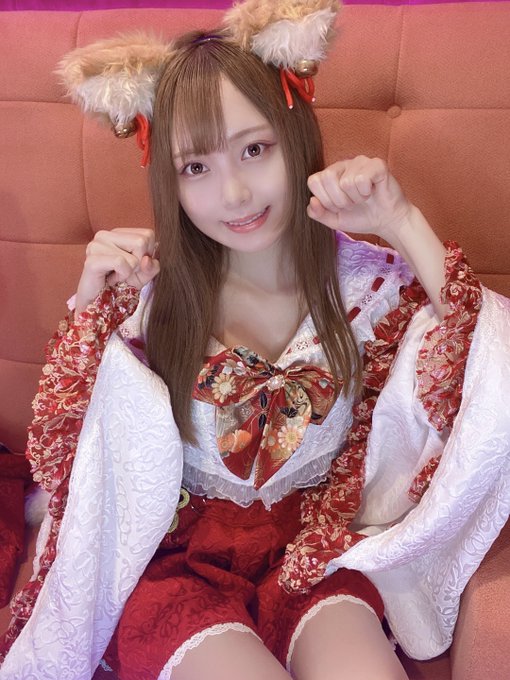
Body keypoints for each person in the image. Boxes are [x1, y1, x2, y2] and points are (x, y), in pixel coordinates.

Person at [1, 3, 509, 680]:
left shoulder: (365, 292)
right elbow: (71, 460)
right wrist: (94, 308)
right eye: (196, 167)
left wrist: (401, 219)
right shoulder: (148, 298)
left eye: (254, 149)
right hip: (172, 559)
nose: (235, 193)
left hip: (309, 552)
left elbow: (486, 361)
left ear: (293, 137)